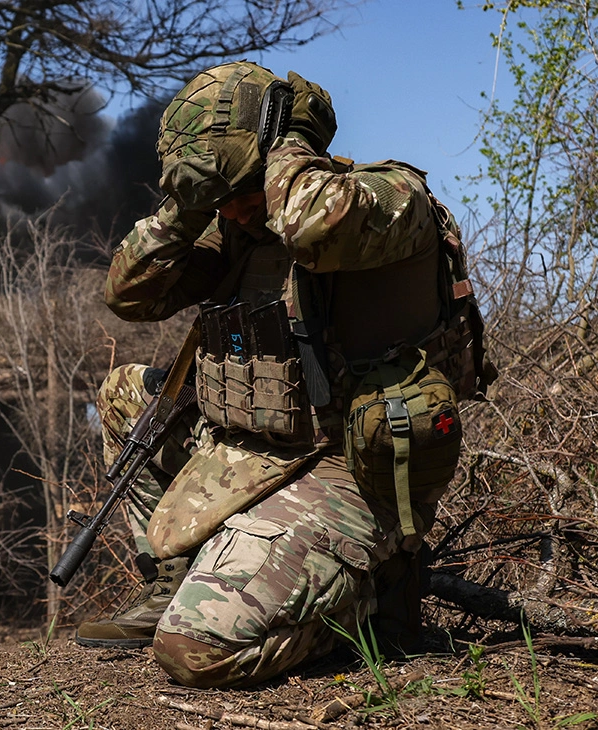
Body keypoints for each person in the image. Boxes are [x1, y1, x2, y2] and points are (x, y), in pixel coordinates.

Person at [75, 61, 487, 687]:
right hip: (252, 447)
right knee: (128, 393)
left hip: (346, 464)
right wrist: (186, 211)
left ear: (275, 158)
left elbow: (311, 226)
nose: (234, 214)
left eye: (237, 193)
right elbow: (129, 294)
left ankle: (371, 596)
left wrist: (287, 138)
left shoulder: (387, 199)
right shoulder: (243, 229)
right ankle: (178, 579)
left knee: (194, 651)